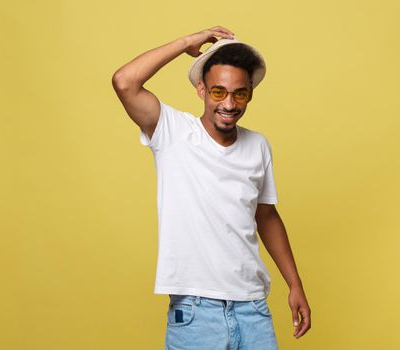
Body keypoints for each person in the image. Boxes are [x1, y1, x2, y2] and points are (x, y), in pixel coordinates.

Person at [112, 26, 311, 349]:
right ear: (201, 90)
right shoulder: (173, 132)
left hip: (253, 307)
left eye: (239, 94)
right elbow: (124, 82)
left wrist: (295, 284)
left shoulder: (258, 145)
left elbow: (267, 215)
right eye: (219, 92)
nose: (229, 104)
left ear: (249, 94)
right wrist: (186, 43)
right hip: (195, 312)